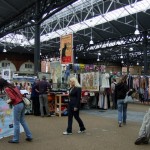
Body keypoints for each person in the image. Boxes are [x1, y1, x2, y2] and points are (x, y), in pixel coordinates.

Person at [0, 78, 32, 143]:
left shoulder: (7, 89)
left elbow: (12, 98)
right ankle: (29, 136)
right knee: (23, 121)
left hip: (17, 105)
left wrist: (8, 101)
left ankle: (16, 139)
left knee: (16, 122)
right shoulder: (13, 86)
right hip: (22, 103)